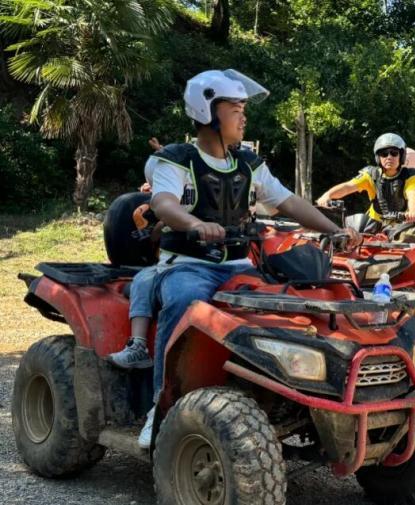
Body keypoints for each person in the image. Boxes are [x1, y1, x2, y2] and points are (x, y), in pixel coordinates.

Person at [121, 69, 359, 449]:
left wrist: (334, 230)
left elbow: (288, 202)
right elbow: (163, 204)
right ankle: (160, 406)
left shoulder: (248, 164)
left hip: (239, 267)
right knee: (183, 300)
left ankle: (284, 391)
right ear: (209, 112)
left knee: (287, 303)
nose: (243, 116)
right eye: (236, 108)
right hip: (186, 265)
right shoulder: (176, 160)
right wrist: (195, 223)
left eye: (244, 108)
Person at [316, 133, 415, 294]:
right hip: (374, 226)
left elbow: (413, 196)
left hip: (404, 227)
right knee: (346, 243)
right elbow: (348, 186)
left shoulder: (410, 176)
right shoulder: (370, 175)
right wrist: (327, 196)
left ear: (401, 155)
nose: (389, 157)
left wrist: (412, 212)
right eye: (384, 153)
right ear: (378, 157)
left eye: (394, 153)